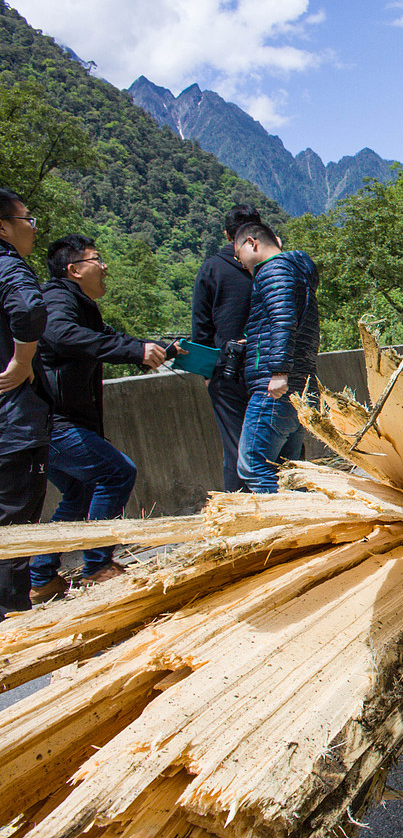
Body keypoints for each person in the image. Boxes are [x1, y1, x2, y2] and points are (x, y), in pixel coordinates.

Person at [32, 235, 168, 600]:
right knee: (117, 472)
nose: (105, 267)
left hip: (55, 423)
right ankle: (96, 566)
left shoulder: (81, 305)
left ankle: (41, 577)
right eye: (97, 259)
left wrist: (159, 350)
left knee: (79, 491)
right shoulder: (57, 299)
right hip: (56, 423)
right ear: (74, 269)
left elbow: (112, 338)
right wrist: (135, 351)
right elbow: (61, 336)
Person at [233, 221, 320, 493]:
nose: (241, 263)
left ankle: (287, 521)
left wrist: (278, 372)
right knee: (289, 469)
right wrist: (258, 340)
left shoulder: (272, 270)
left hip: (276, 389)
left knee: (254, 464)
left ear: (252, 242)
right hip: (300, 387)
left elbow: (283, 319)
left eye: (238, 255)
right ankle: (307, 528)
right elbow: (291, 322)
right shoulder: (297, 272)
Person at [0, 189, 51, 613]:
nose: (32, 228)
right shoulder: (9, 267)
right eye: (26, 219)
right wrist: (22, 358)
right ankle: (11, 615)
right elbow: (30, 311)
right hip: (13, 423)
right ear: (3, 226)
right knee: (14, 523)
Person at [191, 204, 261, 491]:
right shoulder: (270, 266)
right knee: (275, 442)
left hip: (224, 369)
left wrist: (208, 372)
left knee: (235, 445)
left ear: (226, 233)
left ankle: (237, 510)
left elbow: (201, 326)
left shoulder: (211, 268)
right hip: (266, 364)